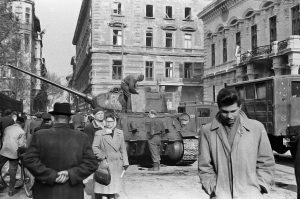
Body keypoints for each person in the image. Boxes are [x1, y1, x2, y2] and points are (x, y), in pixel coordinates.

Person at [198, 88, 275, 199]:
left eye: (233, 111)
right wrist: (214, 189)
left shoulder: (256, 128)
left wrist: (261, 186)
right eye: (225, 112)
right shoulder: (207, 131)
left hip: (251, 195)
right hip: (221, 195)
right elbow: (204, 166)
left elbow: (266, 162)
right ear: (219, 108)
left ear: (240, 107)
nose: (229, 116)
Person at [23, 102, 98, 199]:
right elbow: (92, 164)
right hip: (72, 192)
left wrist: (51, 175)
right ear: (70, 119)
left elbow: (29, 160)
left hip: (45, 192)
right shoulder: (82, 137)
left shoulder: (40, 135)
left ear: (53, 118)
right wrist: (70, 173)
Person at [92, 112, 129, 199]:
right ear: (104, 122)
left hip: (117, 164)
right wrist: (103, 157)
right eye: (107, 121)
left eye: (111, 121)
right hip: (104, 164)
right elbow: (94, 147)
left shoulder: (120, 133)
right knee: (102, 187)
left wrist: (125, 161)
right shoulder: (99, 133)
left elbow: (123, 148)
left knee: (113, 190)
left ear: (114, 122)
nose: (109, 124)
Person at [0, 117, 26, 196]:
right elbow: (21, 145)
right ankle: (11, 191)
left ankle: (1, 184)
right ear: (22, 123)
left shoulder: (7, 128)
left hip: (4, 151)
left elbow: (3, 139)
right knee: (12, 172)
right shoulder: (22, 131)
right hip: (14, 154)